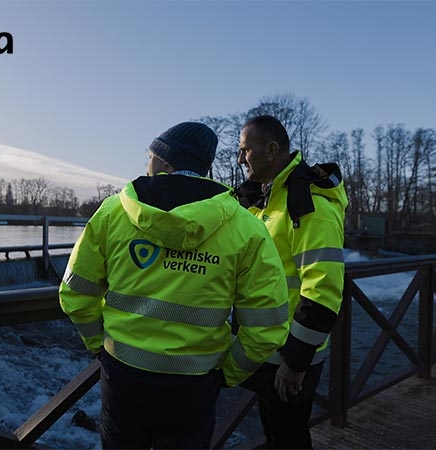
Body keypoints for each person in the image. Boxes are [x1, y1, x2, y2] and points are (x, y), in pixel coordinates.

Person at [59, 121, 290, 449]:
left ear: (166, 162)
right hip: (194, 385)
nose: (147, 164)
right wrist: (228, 372)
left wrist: (99, 344)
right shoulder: (245, 227)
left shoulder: (113, 212)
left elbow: (75, 292)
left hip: (123, 375)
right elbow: (267, 325)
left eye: (150, 156)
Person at [237, 115, 348, 449]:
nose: (242, 159)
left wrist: (295, 363)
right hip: (267, 352)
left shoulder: (308, 205)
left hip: (288, 359)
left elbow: (324, 293)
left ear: (271, 150)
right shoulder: (266, 199)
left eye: (246, 150)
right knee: (278, 435)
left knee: (289, 440)